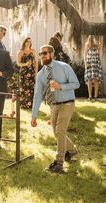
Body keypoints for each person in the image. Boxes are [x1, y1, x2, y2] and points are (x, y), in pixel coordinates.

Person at [31, 44, 79, 173]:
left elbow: (76, 84)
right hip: (53, 105)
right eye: (41, 54)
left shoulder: (64, 67)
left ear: (52, 54)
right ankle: (73, 151)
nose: (42, 56)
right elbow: (37, 95)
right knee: (57, 133)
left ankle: (59, 163)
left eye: (45, 53)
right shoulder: (41, 74)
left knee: (59, 131)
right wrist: (34, 115)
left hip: (67, 103)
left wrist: (60, 86)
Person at [17, 37, 38, 109]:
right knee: (23, 88)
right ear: (24, 42)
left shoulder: (33, 51)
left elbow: (36, 63)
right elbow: (18, 63)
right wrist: (25, 64)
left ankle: (31, 105)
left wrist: (36, 73)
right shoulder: (21, 52)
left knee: (31, 88)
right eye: (27, 41)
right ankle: (23, 105)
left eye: (29, 41)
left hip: (31, 72)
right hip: (23, 73)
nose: (28, 43)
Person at [84, 35, 103, 101]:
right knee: (89, 80)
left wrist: (98, 40)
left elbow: (100, 46)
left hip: (96, 63)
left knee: (96, 80)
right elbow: (85, 55)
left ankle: (95, 96)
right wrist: (86, 64)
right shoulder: (86, 45)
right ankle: (90, 96)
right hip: (89, 63)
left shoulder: (97, 44)